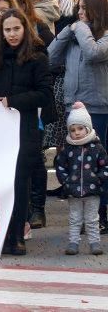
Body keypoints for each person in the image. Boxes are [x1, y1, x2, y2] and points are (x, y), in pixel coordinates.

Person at [0, 8, 52, 255]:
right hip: (0, 130)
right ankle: (2, 234)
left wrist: (13, 100)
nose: (12, 34)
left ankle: (17, 236)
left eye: (16, 28)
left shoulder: (37, 58)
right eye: (7, 30)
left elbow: (44, 95)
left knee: (20, 182)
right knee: (2, 181)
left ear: (25, 29)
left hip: (26, 128)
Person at [48, 0, 108, 231]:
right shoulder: (75, 36)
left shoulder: (104, 37)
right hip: (72, 106)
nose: (80, 14)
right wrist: (66, 31)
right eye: (78, 9)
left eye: (84, 9)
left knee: (97, 163)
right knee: (78, 164)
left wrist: (80, 29)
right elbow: (50, 58)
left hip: (98, 108)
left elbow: (94, 54)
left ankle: (101, 213)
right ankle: (86, 215)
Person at [55, 102, 108, 255]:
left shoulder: (97, 147)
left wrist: (98, 179)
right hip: (73, 191)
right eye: (72, 130)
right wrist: (65, 181)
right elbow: (60, 166)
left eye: (80, 128)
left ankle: (94, 242)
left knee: (92, 219)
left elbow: (105, 166)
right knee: (74, 218)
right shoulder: (67, 149)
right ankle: (73, 242)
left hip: (93, 191)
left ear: (88, 128)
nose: (76, 133)